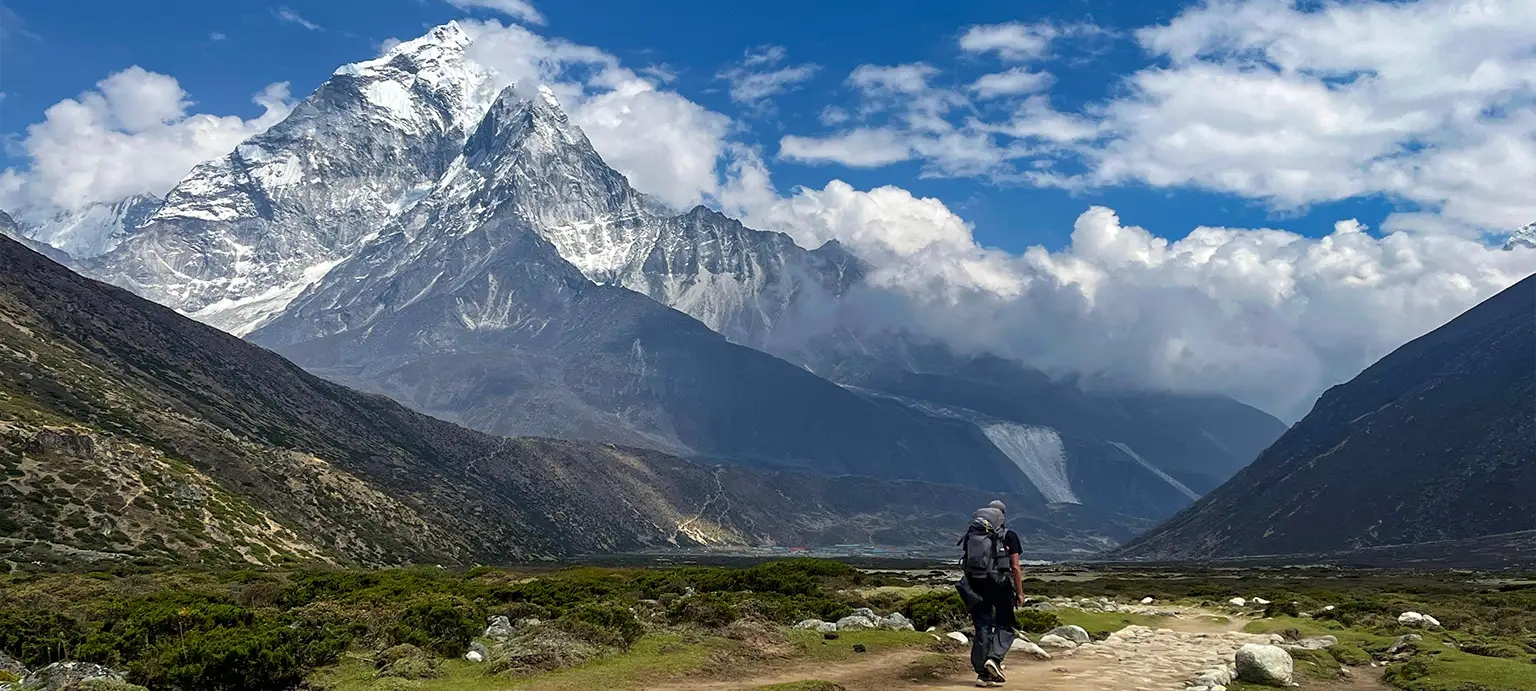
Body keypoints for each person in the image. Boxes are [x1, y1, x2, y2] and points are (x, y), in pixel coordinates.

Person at [956, 500, 1025, 687]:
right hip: (999, 584)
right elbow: (1016, 567)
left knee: (982, 626)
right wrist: (1019, 593)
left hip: (975, 584)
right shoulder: (1008, 535)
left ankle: (982, 674)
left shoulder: (972, 535)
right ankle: (994, 659)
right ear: (1003, 516)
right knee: (1007, 624)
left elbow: (966, 562)